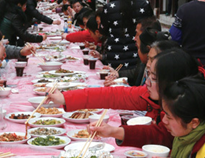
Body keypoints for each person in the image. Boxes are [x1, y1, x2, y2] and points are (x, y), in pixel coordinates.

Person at [47, 43, 183, 123]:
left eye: (153, 77)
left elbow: (159, 137)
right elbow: (112, 95)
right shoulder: (149, 93)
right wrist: (65, 98)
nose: (147, 82)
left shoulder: (183, 112)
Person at [100, 0, 153, 69]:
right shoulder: (144, 5)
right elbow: (151, 29)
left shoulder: (109, 8)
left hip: (114, 55)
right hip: (138, 55)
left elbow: (103, 30)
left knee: (115, 81)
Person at [106, 18, 163, 86]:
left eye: (137, 34)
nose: (134, 38)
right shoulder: (143, 60)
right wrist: (117, 73)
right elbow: (136, 73)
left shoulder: (156, 75)